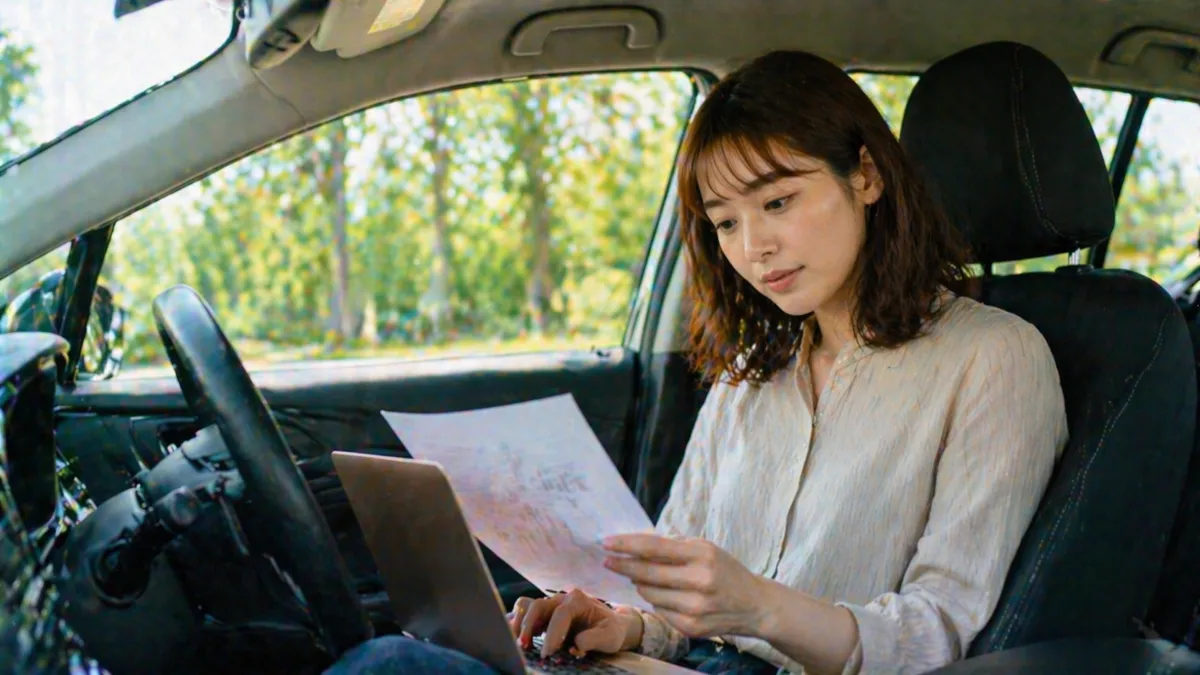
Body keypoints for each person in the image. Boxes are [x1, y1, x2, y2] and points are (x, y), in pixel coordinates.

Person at [325, 48, 1067, 675]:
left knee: (392, 666)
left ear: (866, 177)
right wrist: (622, 622)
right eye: (725, 223)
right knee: (404, 655)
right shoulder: (755, 370)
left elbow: (939, 636)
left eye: (778, 202)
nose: (754, 248)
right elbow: (677, 594)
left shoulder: (994, 358)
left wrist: (761, 607)